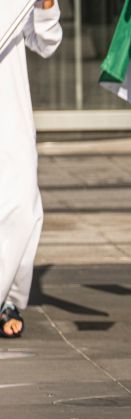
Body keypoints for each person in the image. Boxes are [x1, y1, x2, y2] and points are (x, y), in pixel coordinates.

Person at [0, 0, 61, 338]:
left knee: (23, 208)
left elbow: (47, 41)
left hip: (11, 116)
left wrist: (45, 5)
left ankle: (9, 296)